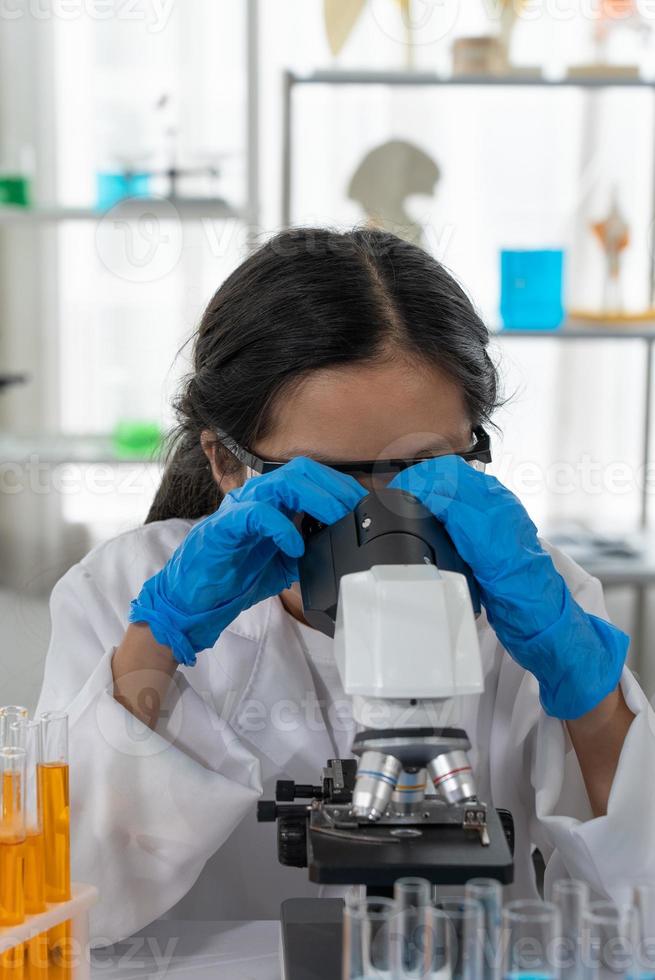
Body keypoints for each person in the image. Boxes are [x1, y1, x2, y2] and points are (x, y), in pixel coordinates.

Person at [37, 227, 652, 945]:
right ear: (226, 463)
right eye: (326, 478)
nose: (375, 515)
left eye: (419, 469)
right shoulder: (122, 592)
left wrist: (587, 695)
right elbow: (64, 909)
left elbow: (636, 915)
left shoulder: (536, 596)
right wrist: (154, 648)